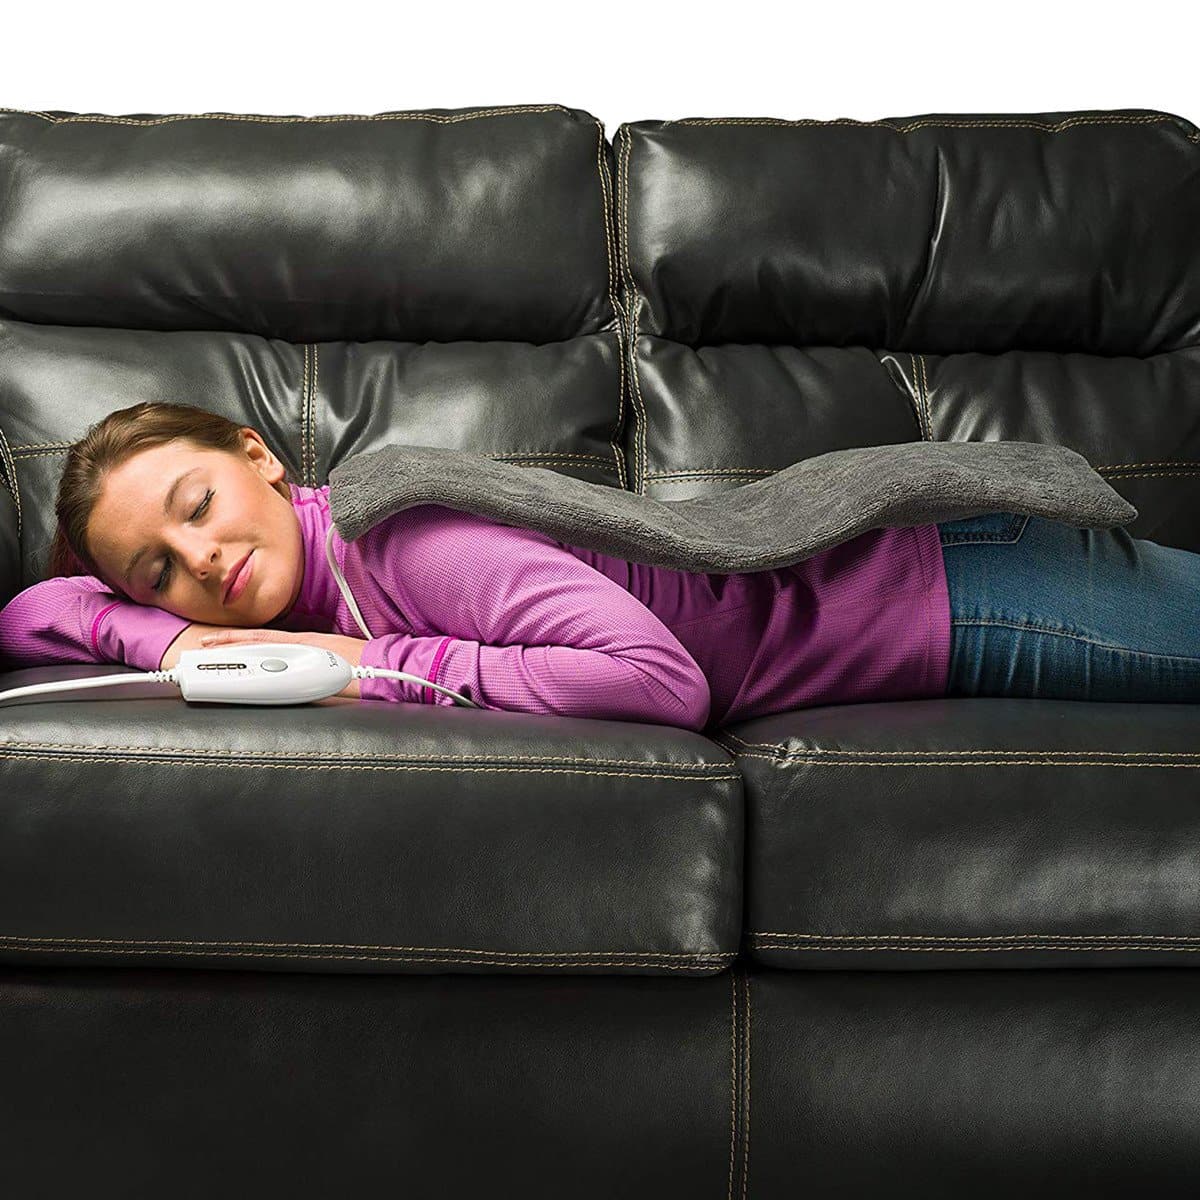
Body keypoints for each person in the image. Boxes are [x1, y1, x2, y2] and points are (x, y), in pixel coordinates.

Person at [2, 402, 1193, 728]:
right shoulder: (294, 585)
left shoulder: (403, 541)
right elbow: (33, 613)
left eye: (199, 505)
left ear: (259, 455)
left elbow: (663, 684)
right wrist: (179, 640)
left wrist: (378, 665)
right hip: (941, 593)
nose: (200, 557)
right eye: (155, 568)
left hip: (957, 586)